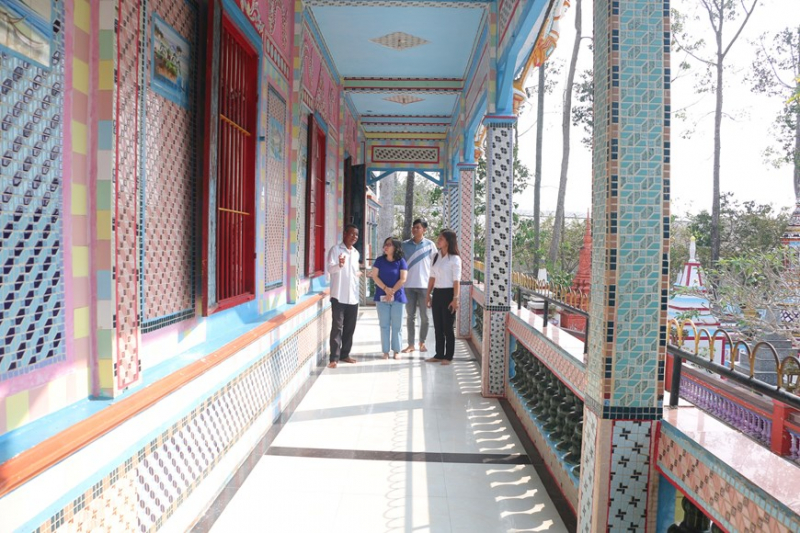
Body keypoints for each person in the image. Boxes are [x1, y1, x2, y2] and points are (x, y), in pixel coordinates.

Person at [326, 224, 361, 369]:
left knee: (349, 328)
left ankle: (345, 354)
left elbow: (355, 272)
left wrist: (358, 275)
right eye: (352, 234)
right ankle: (334, 358)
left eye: (356, 235)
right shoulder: (335, 250)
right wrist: (339, 265)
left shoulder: (356, 253)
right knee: (337, 327)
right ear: (345, 234)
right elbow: (330, 269)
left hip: (353, 296)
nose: (354, 237)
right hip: (338, 295)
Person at [425, 229, 461, 366]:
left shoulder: (455, 259)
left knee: (447, 327)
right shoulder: (435, 256)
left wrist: (455, 298)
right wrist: (428, 294)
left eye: (441, 238)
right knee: (438, 326)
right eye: (438, 237)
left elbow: (456, 280)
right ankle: (439, 354)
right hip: (438, 293)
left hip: (449, 294)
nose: (438, 240)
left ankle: (448, 356)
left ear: (448, 241)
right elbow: (432, 277)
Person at [401, 218, 436, 354]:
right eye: (413, 227)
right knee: (410, 316)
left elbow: (435, 266)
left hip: (424, 287)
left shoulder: (430, 245)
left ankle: (422, 342)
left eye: (418, 227)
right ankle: (410, 344)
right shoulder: (404, 245)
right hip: (408, 286)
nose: (415, 229)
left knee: (425, 317)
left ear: (424, 230)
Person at [370, 237, 408, 360]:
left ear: (396, 247)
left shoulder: (401, 261)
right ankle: (385, 351)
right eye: (385, 244)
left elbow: (403, 279)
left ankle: (397, 350)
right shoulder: (380, 261)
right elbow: (374, 276)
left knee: (397, 326)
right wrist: (386, 289)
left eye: (389, 245)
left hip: (398, 298)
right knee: (384, 325)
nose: (385, 247)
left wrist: (392, 292)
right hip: (382, 298)